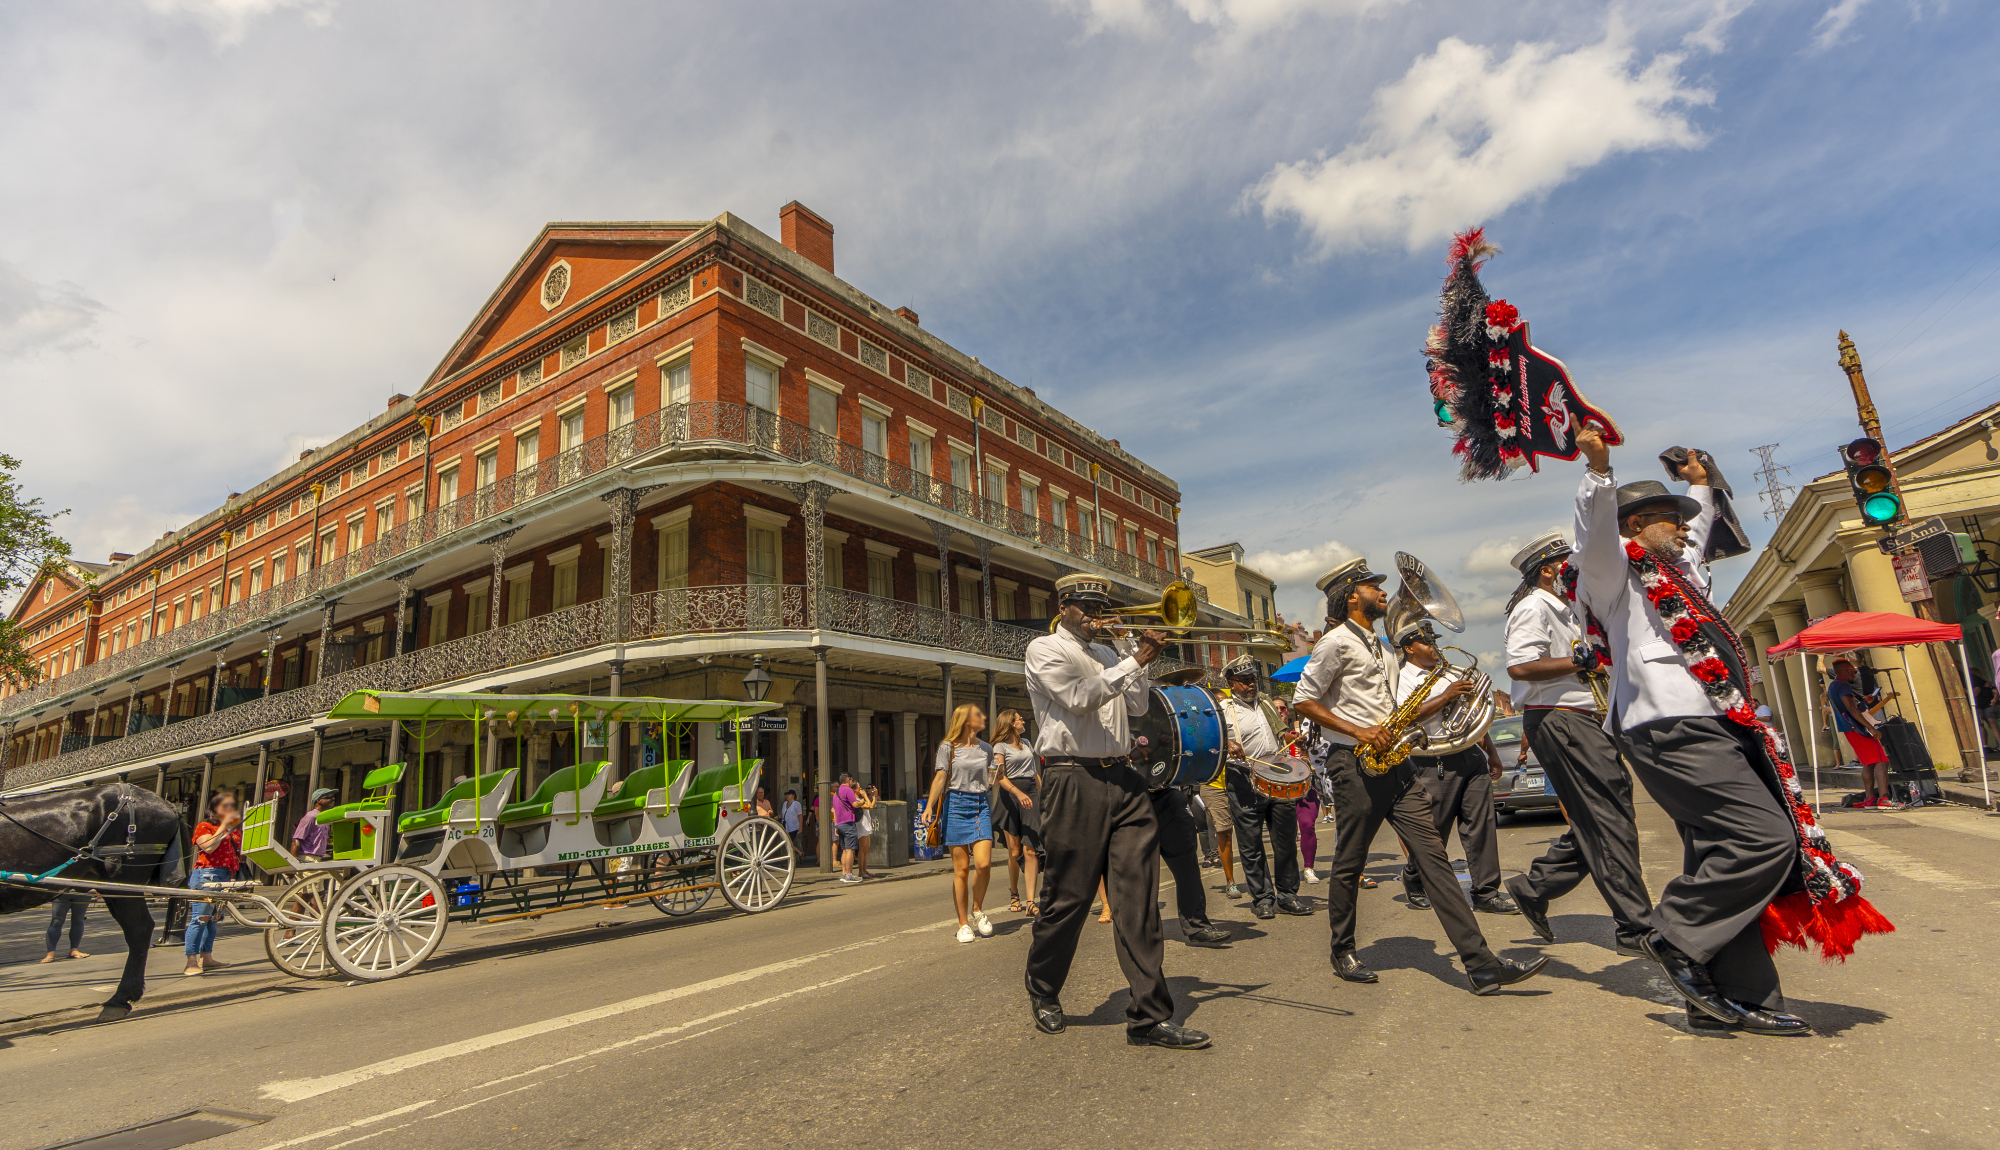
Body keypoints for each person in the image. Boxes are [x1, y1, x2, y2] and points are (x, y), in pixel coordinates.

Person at [1570, 425, 1886, 1035]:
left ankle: (1734, 997)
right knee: (1764, 840)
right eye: (1671, 519)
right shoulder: (1611, 579)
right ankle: (1674, 933)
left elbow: (1697, 541)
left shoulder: (1682, 576)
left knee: (1722, 851)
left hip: (1716, 723)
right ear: (1636, 527)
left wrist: (1701, 486)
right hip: (1669, 725)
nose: (1686, 529)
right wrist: (1599, 469)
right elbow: (1595, 533)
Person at [1291, 557, 1546, 995]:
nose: (1383, 591)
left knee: (1434, 859)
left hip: (1396, 764)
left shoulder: (1383, 645)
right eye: (1374, 586)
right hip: (1354, 763)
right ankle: (1342, 947)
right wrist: (1360, 730)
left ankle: (1481, 965)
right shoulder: (1333, 643)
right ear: (1353, 594)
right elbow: (1302, 700)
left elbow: (1389, 708)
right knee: (1350, 862)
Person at [1023, 573, 1209, 1049]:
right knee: (1070, 898)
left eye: (1098, 605)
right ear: (1063, 606)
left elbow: (1138, 702)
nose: (1092, 613)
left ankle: (1149, 1016)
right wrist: (1136, 660)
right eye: (1083, 605)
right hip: (1072, 778)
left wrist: (1135, 659)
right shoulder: (1044, 650)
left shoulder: (1109, 654)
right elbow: (1079, 699)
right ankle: (1042, 985)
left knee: (1138, 900)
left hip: (1125, 779)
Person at [1499, 530, 1653, 957]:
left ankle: (1535, 888)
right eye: (1567, 564)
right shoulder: (1534, 605)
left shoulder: (1567, 609)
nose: (1577, 570)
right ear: (1548, 571)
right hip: (1560, 719)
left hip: (1580, 719)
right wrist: (1579, 661)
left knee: (1603, 814)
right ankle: (1635, 925)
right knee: (1609, 818)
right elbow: (1520, 667)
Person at [1393, 625, 1519, 917]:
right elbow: (1403, 716)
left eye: (1434, 640)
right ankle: (1414, 876)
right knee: (1432, 832)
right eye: (1426, 642)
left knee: (1482, 825)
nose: (1434, 646)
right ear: (1409, 647)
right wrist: (1446, 696)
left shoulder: (1451, 673)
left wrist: (1491, 752)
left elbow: (1473, 712)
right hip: (1430, 759)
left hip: (1470, 756)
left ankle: (1486, 892)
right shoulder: (1399, 678)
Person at [1218, 657, 1313, 921]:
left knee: (1285, 841)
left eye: (1253, 679)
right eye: (1244, 681)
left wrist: (1293, 739)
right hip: (1242, 777)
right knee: (1250, 843)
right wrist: (1227, 742)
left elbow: (1282, 733)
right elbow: (1213, 739)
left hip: (1276, 773)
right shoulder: (1223, 709)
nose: (1251, 684)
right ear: (1231, 683)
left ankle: (1288, 894)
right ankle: (1262, 897)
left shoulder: (1267, 703)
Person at [920, 703, 999, 943]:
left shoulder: (986, 748)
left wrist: (996, 770)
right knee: (962, 870)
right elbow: (941, 777)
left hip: (980, 805)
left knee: (984, 864)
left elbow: (991, 778)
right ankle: (963, 923)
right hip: (955, 805)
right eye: (977, 715)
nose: (982, 718)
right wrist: (929, 806)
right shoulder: (948, 747)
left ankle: (977, 910)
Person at [989, 708, 1043, 916]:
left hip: (1031, 793)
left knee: (1030, 848)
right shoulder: (999, 747)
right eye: (1020, 719)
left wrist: (1043, 793)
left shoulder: (1027, 743)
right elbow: (999, 777)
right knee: (1014, 851)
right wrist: (1018, 794)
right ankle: (1014, 893)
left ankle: (1031, 901)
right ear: (1011, 724)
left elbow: (1034, 771)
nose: (1023, 721)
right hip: (1011, 796)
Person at [1828, 659, 1899, 808]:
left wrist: (1865, 700)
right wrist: (1871, 728)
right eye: (1853, 669)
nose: (1855, 672)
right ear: (1847, 669)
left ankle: (1869, 799)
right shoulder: (1843, 685)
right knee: (1882, 760)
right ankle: (1884, 798)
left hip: (1850, 729)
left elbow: (1852, 705)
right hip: (1857, 728)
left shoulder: (1834, 685)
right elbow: (1852, 709)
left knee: (1869, 763)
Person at [187, 791, 243, 977]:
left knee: (214, 919)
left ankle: (207, 957)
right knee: (200, 918)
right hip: (207, 874)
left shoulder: (234, 831)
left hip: (226, 875)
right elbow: (209, 847)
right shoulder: (204, 826)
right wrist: (224, 827)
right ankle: (191, 961)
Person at [1202, 765, 1239, 898]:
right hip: (1214, 786)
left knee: (1250, 835)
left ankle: (1259, 885)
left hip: (1242, 782)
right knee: (1225, 834)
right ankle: (1230, 882)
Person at [290, 788, 336, 861]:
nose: (333, 799)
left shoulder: (324, 819)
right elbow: (296, 840)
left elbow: (318, 843)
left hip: (318, 859)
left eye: (333, 797)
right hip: (307, 858)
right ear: (319, 800)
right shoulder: (311, 817)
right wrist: (293, 863)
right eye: (329, 797)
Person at [41, 893, 89, 963]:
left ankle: (74, 950)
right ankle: (50, 953)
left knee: (78, 920)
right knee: (57, 921)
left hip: (84, 890)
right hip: (61, 891)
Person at [833, 774, 863, 883]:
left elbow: (834, 810)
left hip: (839, 823)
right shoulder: (848, 790)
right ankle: (849, 874)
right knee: (850, 849)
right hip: (848, 823)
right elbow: (855, 804)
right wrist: (862, 802)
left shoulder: (836, 793)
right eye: (851, 779)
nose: (851, 781)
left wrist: (836, 825)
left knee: (845, 849)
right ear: (847, 780)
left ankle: (844, 874)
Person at [855, 784, 880, 879]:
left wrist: (875, 796)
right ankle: (861, 871)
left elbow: (873, 805)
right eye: (859, 788)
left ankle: (865, 870)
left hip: (867, 825)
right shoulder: (857, 801)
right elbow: (870, 806)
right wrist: (865, 796)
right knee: (862, 849)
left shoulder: (861, 799)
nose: (861, 789)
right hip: (861, 825)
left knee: (867, 849)